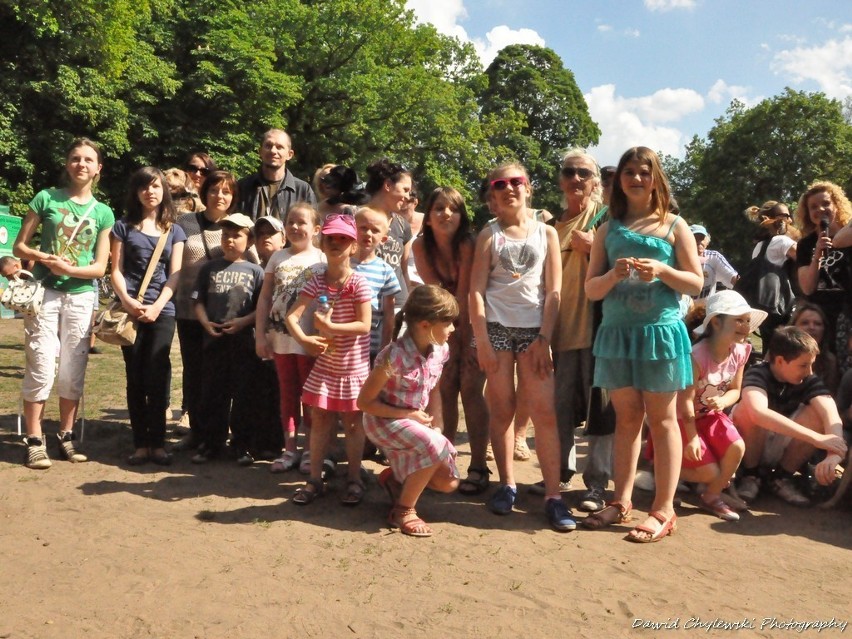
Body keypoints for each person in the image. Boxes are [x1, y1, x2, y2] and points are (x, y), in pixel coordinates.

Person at [582, 146, 702, 542]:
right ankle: (621, 501)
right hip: (617, 335)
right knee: (627, 420)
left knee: (663, 419)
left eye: (643, 172)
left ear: (656, 179)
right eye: (629, 172)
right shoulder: (607, 227)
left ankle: (664, 510)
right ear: (619, 180)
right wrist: (613, 277)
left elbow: (696, 283)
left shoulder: (674, 225)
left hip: (660, 334)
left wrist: (664, 270)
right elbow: (591, 291)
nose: (635, 178)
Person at [469, 162, 575, 532]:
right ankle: (507, 484)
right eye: (500, 184)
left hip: (534, 333)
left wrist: (545, 338)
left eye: (516, 182)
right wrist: (481, 340)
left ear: (528, 188)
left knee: (544, 412)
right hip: (496, 330)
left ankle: (553, 496)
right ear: (493, 194)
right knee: (503, 409)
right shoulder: (489, 235)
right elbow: (476, 292)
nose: (509, 188)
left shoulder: (546, 233)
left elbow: (554, 291)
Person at [13, 138, 115, 469]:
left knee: (73, 367)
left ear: (98, 168)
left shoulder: (103, 212)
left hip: (82, 294)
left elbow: (100, 267)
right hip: (45, 292)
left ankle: (66, 436)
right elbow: (19, 247)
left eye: (88, 160)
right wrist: (44, 257)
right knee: (41, 363)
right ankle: (34, 439)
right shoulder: (46, 198)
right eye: (75, 158)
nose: (81, 164)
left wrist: (70, 269)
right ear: (67, 164)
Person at [358, 285, 461, 537]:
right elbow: (365, 403)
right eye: (447, 323)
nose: (453, 329)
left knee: (448, 483)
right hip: (383, 420)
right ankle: (403, 510)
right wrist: (408, 416)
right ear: (425, 324)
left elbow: (434, 390)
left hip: (413, 423)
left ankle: (394, 479)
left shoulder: (440, 351)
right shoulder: (393, 357)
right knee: (434, 446)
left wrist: (437, 425)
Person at [285, 214, 372, 505]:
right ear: (322, 242)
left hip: (352, 368)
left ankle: (355, 479)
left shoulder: (358, 282)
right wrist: (305, 340)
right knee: (320, 420)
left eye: (343, 239)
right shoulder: (316, 280)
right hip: (325, 368)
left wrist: (332, 328)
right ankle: (314, 480)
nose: (336, 243)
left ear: (354, 246)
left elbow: (364, 325)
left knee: (352, 424)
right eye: (331, 238)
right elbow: (292, 316)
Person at [412, 187, 490, 495]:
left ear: (462, 215)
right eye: (439, 208)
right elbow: (437, 296)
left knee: (471, 388)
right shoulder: (420, 247)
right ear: (428, 217)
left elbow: (468, 295)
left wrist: (469, 343)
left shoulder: (468, 244)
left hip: (474, 321)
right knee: (443, 391)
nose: (446, 214)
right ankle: (445, 464)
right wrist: (446, 343)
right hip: (442, 323)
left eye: (453, 208)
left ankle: (479, 465)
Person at [110, 167, 186, 466]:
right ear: (136, 192)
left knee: (158, 374)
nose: (150, 192)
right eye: (143, 187)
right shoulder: (122, 227)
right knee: (135, 376)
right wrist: (128, 302)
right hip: (131, 311)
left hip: (163, 311)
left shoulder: (175, 230)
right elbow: (115, 269)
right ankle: (140, 442)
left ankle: (159, 442)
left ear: (164, 191)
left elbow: (175, 274)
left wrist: (157, 306)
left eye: (155, 186)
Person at [673, 290, 766, 521]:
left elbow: (736, 389)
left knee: (737, 447)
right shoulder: (697, 355)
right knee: (710, 470)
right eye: (738, 320)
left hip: (711, 417)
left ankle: (712, 495)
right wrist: (692, 436)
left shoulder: (742, 351)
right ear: (716, 322)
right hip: (684, 420)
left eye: (746, 320)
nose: (745, 326)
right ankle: (663, 471)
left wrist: (723, 401)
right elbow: (684, 399)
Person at [732, 326, 847, 507]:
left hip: (781, 443)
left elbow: (830, 413)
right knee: (748, 409)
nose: (809, 371)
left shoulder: (808, 379)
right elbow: (758, 412)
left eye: (811, 364)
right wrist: (817, 439)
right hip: (749, 442)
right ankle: (750, 475)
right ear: (779, 361)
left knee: (817, 415)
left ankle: (780, 478)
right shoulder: (758, 372)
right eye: (803, 365)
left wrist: (834, 452)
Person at [549, 148, 606, 501]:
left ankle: (597, 484)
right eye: (569, 172)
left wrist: (595, 247)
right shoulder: (550, 228)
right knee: (558, 410)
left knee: (600, 411)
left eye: (583, 173)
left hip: (599, 333)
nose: (576, 179)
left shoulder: (607, 221)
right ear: (560, 180)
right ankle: (559, 474)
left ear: (595, 182)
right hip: (559, 332)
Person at [174, 170, 240, 451]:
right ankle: (197, 432)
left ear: (233, 197)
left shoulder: (237, 225)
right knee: (193, 372)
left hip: (222, 312)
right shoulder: (186, 222)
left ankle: (217, 433)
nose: (220, 196)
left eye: (226, 191)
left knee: (221, 375)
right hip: (188, 310)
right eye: (214, 190)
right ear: (205, 193)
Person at [256, 204, 325, 473]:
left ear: (316, 229)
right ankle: (290, 449)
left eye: (302, 222)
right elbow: (264, 298)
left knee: (309, 397)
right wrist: (260, 335)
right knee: (287, 394)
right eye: (290, 222)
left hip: (310, 340)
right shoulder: (277, 258)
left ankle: (310, 450)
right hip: (280, 339)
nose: (295, 227)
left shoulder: (321, 259)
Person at [190, 214, 264, 464]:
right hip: (214, 341)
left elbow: (262, 308)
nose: (230, 240)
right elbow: (197, 301)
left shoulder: (256, 271)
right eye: (225, 235)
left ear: (249, 240)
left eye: (237, 235)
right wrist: (205, 323)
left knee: (243, 394)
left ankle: (241, 445)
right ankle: (211, 444)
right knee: (213, 394)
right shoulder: (209, 268)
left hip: (243, 342)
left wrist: (243, 322)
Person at [740, 201, 797, 349]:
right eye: (785, 216)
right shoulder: (782, 240)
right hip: (779, 307)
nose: (790, 220)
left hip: (763, 306)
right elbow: (805, 259)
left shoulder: (760, 245)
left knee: (770, 346)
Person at [808, 182, 852, 373]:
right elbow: (807, 288)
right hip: (823, 315)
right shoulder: (806, 244)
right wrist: (817, 255)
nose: (821, 210)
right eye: (813, 207)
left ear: (837, 204)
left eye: (826, 203)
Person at [352, 207, 400, 361]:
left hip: (368, 348)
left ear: (384, 239)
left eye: (375, 230)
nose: (368, 234)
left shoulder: (385, 271)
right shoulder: (341, 265)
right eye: (363, 228)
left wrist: (385, 346)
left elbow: (389, 314)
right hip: (339, 344)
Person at [237, 129, 317, 220]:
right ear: (260, 151)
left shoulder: (302, 190)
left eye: (279, 147)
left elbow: (312, 225)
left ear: (289, 154)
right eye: (268, 146)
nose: (273, 151)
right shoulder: (243, 187)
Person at [365, 159, 413, 306]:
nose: (408, 197)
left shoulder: (402, 224)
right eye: (405, 190)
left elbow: (404, 270)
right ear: (387, 185)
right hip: (362, 299)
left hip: (396, 303)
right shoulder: (354, 216)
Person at [791, 302, 839, 396]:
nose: (812, 327)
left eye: (817, 324)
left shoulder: (830, 361)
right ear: (793, 327)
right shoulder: (778, 353)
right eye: (805, 323)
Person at [690, 224, 738, 301]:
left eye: (701, 238)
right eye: (695, 238)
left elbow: (733, 278)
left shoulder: (714, 257)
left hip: (706, 310)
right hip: (684, 309)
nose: (699, 242)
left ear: (707, 242)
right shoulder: (679, 257)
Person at [399, 186, 424, 287]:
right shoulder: (393, 222)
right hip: (399, 277)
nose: (402, 207)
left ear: (415, 202)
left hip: (423, 278)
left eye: (405, 210)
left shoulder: (428, 222)